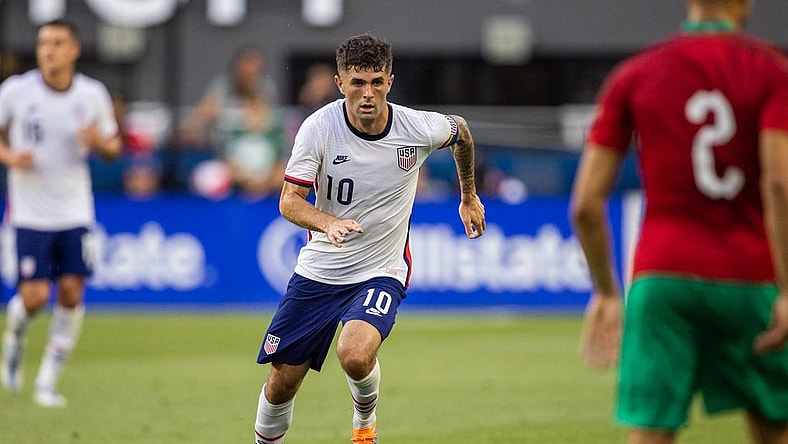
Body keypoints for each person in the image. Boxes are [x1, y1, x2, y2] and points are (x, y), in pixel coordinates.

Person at [569, 1, 788, 443]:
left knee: (651, 431)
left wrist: (608, 293)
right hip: (751, 275)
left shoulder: (635, 74)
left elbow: (586, 204)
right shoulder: (772, 70)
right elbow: (780, 184)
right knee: (773, 426)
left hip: (662, 277)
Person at [252, 32, 486, 444]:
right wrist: (326, 222)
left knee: (355, 354)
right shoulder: (319, 129)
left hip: (382, 267)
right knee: (281, 383)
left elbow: (461, 132)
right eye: (357, 83)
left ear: (389, 83)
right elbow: (289, 202)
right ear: (340, 83)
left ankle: (365, 425)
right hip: (321, 270)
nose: (367, 94)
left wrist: (468, 195)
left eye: (376, 82)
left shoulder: (415, 127)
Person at [0, 19, 122, 408]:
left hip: (74, 209)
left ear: (74, 50)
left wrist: (99, 142)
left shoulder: (91, 94)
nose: (47, 49)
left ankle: (47, 382)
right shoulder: (16, 91)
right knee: (33, 298)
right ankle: (15, 338)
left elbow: (114, 147)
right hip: (30, 213)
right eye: (42, 43)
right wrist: (9, 157)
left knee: (71, 292)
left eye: (56, 43)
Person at [180, 45, 286, 200]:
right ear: (238, 68)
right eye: (248, 68)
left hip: (265, 167)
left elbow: (278, 148)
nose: (251, 74)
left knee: (288, 176)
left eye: (256, 69)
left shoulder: (266, 91)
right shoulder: (222, 90)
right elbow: (197, 124)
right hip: (229, 165)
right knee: (209, 179)